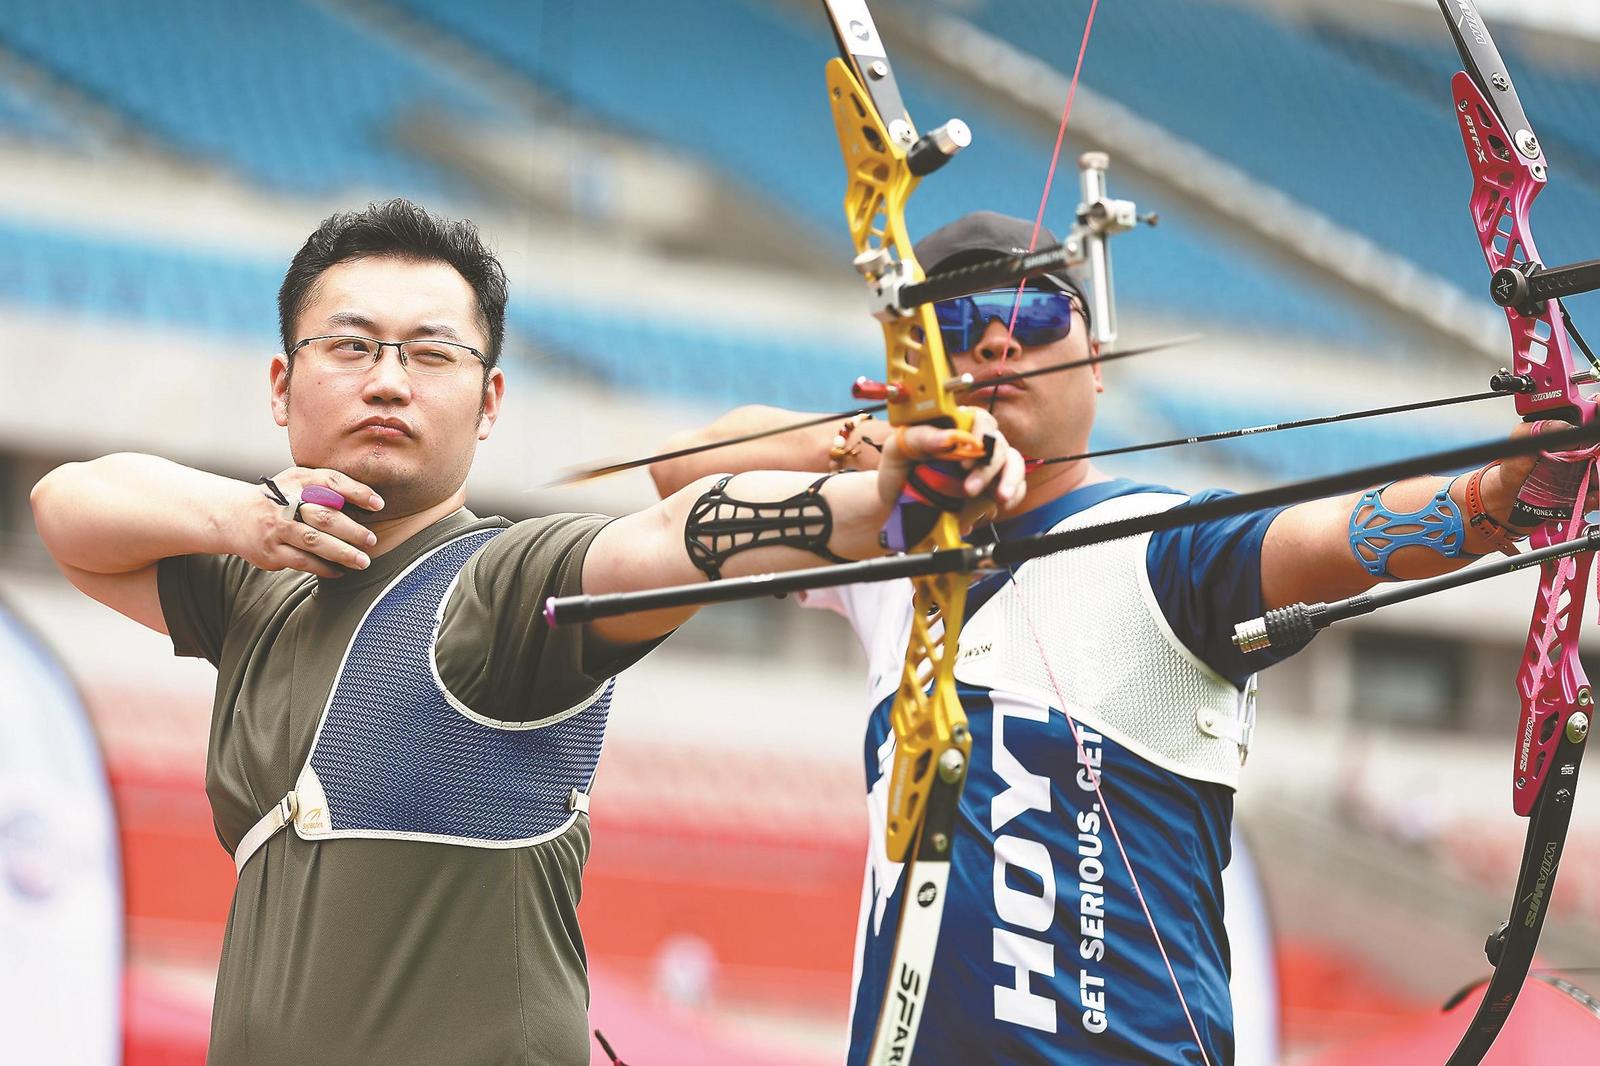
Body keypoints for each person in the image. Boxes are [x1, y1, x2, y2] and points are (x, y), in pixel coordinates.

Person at [28, 199, 1027, 1066]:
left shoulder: (499, 587)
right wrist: (242, 518)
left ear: (489, 401)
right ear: (282, 386)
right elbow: (67, 508)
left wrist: (882, 498)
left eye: (433, 353)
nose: (389, 381)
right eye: (352, 346)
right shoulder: (263, 586)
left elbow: (670, 536)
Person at [649, 210, 1567, 1064]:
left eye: (1038, 313)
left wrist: (1501, 495)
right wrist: (888, 452)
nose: (998, 342)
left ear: (1095, 358)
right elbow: (682, 477)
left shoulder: (1172, 547)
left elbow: (1337, 536)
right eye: (955, 324)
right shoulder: (892, 546)